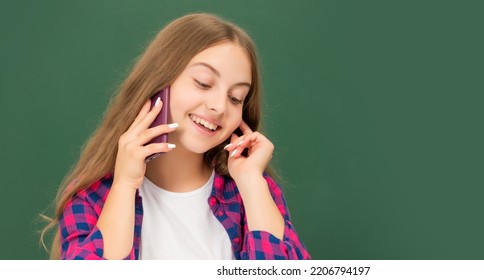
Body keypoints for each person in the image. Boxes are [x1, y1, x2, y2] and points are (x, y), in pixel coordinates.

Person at [40, 13, 310, 260]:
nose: (219, 106)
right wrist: (125, 184)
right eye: (203, 83)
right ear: (160, 82)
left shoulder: (253, 193)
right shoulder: (92, 195)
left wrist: (251, 181)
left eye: (235, 97)